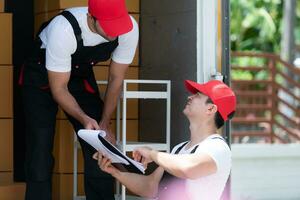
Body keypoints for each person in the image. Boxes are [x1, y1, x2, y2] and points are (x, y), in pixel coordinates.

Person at [20, 0, 138, 199]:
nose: (115, 32)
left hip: (78, 75)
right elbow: (59, 89)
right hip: (40, 77)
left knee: (99, 142)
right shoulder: (64, 29)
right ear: (91, 18)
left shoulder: (129, 29)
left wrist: (104, 122)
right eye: (110, 27)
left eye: (118, 25)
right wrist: (84, 118)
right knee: (39, 147)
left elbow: (116, 78)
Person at [93, 79, 236, 200]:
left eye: (197, 95)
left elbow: (187, 168)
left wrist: (153, 154)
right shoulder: (179, 149)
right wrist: (115, 171)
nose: (190, 97)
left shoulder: (218, 147)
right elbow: (150, 187)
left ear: (210, 109)